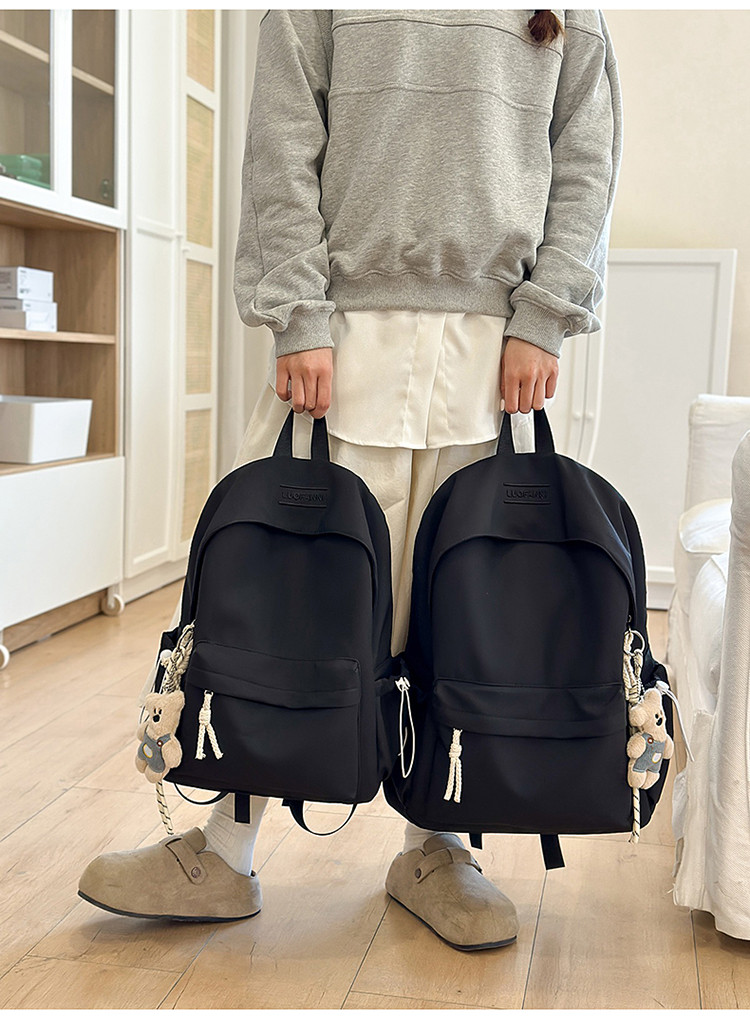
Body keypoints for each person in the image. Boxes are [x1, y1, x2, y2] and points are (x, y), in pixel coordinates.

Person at [79, 8, 623, 952]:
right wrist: (297, 312)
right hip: (339, 332)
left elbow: (586, 150)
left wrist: (547, 313)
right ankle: (226, 850)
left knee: (465, 614)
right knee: (278, 602)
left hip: (495, 348)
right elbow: (283, 140)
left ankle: (437, 846)